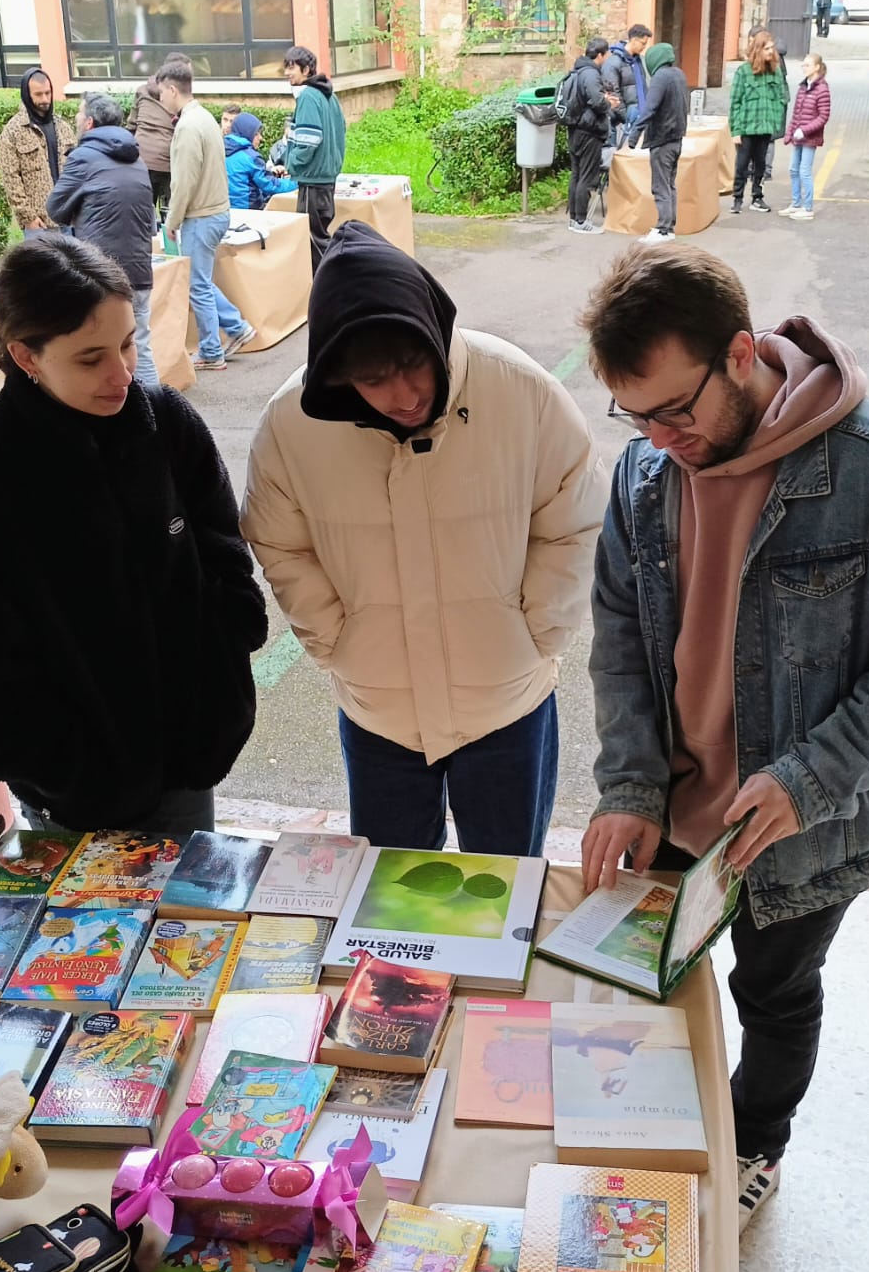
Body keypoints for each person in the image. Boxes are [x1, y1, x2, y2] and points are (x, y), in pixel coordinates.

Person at [575, 242, 869, 1232]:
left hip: (803, 822)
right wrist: (629, 784)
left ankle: (758, 1142)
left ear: (742, 352)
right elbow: (619, 642)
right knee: (650, 978)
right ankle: (658, 1132)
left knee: (774, 989)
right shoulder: (642, 477)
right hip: (675, 801)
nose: (660, 437)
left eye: (677, 409)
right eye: (635, 414)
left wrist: (811, 775)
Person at [240, 222, 602, 856]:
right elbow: (279, 543)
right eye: (372, 379)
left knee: (506, 885)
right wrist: (336, 641)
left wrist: (536, 635)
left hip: (506, 703)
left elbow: (574, 519)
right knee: (392, 895)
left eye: (412, 366)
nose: (402, 395)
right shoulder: (292, 423)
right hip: (379, 709)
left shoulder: (521, 391)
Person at [0, 236, 266, 834]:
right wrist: (63, 767)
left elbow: (224, 550)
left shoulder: (169, 424)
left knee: (188, 924)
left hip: (189, 763)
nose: (121, 374)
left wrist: (224, 657)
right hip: (77, 797)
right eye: (90, 358)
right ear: (25, 355)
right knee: (87, 932)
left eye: (128, 344)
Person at [47, 94, 163, 386]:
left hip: (100, 275)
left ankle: (116, 424)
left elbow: (55, 208)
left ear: (89, 122)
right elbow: (149, 220)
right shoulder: (136, 159)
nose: (74, 119)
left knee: (99, 353)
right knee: (139, 347)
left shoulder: (83, 157)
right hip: (139, 271)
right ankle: (157, 418)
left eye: (77, 114)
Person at [159, 65, 256, 371]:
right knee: (201, 282)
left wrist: (172, 220)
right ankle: (237, 327)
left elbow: (184, 180)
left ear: (173, 90)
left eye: (162, 91)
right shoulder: (204, 118)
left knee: (197, 286)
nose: (161, 97)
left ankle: (211, 351)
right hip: (216, 211)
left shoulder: (188, 126)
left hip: (200, 216)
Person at [279, 46, 347, 267]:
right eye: (286, 69)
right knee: (321, 236)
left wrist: (291, 163)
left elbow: (309, 140)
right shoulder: (329, 96)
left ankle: (337, 283)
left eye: (292, 68)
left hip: (312, 179)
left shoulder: (308, 96)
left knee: (314, 240)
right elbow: (341, 131)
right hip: (327, 177)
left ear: (306, 70)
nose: (287, 73)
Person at [0, 67, 75, 237]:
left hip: (68, 218)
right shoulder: (13, 132)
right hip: (39, 223)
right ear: (27, 95)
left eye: (48, 93)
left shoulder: (63, 127)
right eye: (38, 94)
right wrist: (28, 217)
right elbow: (10, 179)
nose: (45, 99)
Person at [728, 30, 788, 216]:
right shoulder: (743, 72)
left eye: (772, 48)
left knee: (761, 164)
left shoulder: (775, 72)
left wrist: (775, 122)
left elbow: (780, 99)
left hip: (765, 127)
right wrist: (735, 130)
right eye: (768, 48)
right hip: (747, 127)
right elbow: (735, 102)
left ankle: (757, 196)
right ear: (759, 50)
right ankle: (737, 198)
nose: (771, 52)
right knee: (742, 164)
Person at [561, 37, 615, 234]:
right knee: (586, 176)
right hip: (588, 132)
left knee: (576, 175)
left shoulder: (576, 71)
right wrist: (609, 103)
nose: (607, 57)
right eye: (606, 54)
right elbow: (597, 102)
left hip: (575, 129)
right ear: (600, 55)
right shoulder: (591, 74)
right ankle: (582, 221)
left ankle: (575, 219)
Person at [638, 42, 689, 244]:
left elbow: (650, 109)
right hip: (676, 138)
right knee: (669, 184)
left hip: (662, 138)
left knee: (660, 186)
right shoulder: (679, 75)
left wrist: (635, 134)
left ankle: (663, 228)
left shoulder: (660, 77)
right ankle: (669, 225)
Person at [779, 53, 830, 221]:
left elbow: (823, 116)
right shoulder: (803, 87)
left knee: (804, 171)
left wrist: (805, 130)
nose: (804, 68)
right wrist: (789, 134)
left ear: (816, 67)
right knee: (793, 169)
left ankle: (807, 207)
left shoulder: (822, 88)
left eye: (807, 65)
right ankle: (795, 204)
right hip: (798, 137)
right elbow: (796, 113)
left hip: (810, 138)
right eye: (803, 65)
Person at [131, 62, 183, 223]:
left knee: (144, 209)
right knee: (170, 209)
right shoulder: (175, 95)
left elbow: (132, 124)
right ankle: (170, 242)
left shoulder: (141, 91)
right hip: (167, 161)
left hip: (142, 159)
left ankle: (148, 241)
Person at [224, 110, 295, 211]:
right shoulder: (251, 157)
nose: (260, 138)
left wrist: (270, 173)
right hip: (248, 212)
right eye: (257, 134)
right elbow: (270, 185)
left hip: (225, 211)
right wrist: (297, 183)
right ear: (248, 133)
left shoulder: (220, 150)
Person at [612, 25, 653, 144]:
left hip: (640, 114)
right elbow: (613, 91)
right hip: (628, 117)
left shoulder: (639, 61)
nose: (644, 47)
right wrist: (626, 116)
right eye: (643, 43)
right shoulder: (615, 61)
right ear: (634, 40)